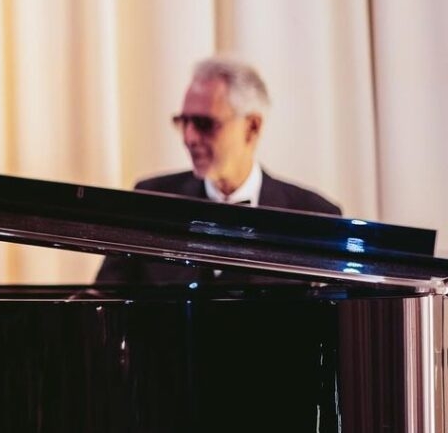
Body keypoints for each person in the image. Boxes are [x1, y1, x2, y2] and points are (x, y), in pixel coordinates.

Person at [95, 56, 341, 284]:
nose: (189, 138)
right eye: (184, 122)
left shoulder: (314, 216)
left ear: (252, 127)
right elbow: (103, 299)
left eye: (204, 124)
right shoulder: (151, 200)